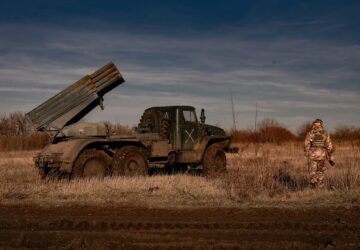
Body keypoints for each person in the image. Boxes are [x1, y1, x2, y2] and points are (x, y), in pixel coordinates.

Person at [304, 119, 334, 188]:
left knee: (312, 172)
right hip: (322, 155)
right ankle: (320, 187)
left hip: (312, 155)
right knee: (321, 172)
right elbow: (329, 145)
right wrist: (330, 155)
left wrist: (306, 153)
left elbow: (306, 144)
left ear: (313, 124)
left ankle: (314, 186)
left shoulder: (310, 133)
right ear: (321, 125)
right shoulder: (325, 133)